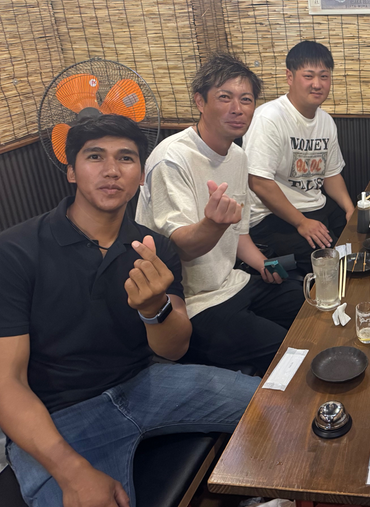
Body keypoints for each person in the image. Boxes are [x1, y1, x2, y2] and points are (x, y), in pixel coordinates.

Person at [0, 116, 260, 506]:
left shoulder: (154, 247)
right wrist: (72, 472)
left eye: (125, 158)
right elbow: (7, 383)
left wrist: (155, 308)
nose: (111, 170)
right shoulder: (16, 251)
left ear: (140, 175)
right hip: (61, 415)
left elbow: (174, 348)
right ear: (71, 171)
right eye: (95, 157)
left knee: (276, 408)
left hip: (146, 384)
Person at [136, 53, 303, 375]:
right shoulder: (172, 158)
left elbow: (239, 233)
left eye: (246, 99)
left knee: (305, 303)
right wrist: (212, 224)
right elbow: (180, 247)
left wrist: (263, 264)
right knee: (286, 353)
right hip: (193, 302)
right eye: (225, 97)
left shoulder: (238, 157)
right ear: (200, 101)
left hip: (232, 282)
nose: (237, 108)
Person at [246, 41, 355, 275]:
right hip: (272, 217)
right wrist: (301, 222)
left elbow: (331, 174)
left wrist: (350, 209)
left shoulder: (325, 121)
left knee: (358, 243)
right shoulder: (269, 118)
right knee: (330, 265)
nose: (317, 84)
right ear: (290, 76)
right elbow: (258, 182)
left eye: (324, 76)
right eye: (309, 76)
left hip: (316, 206)